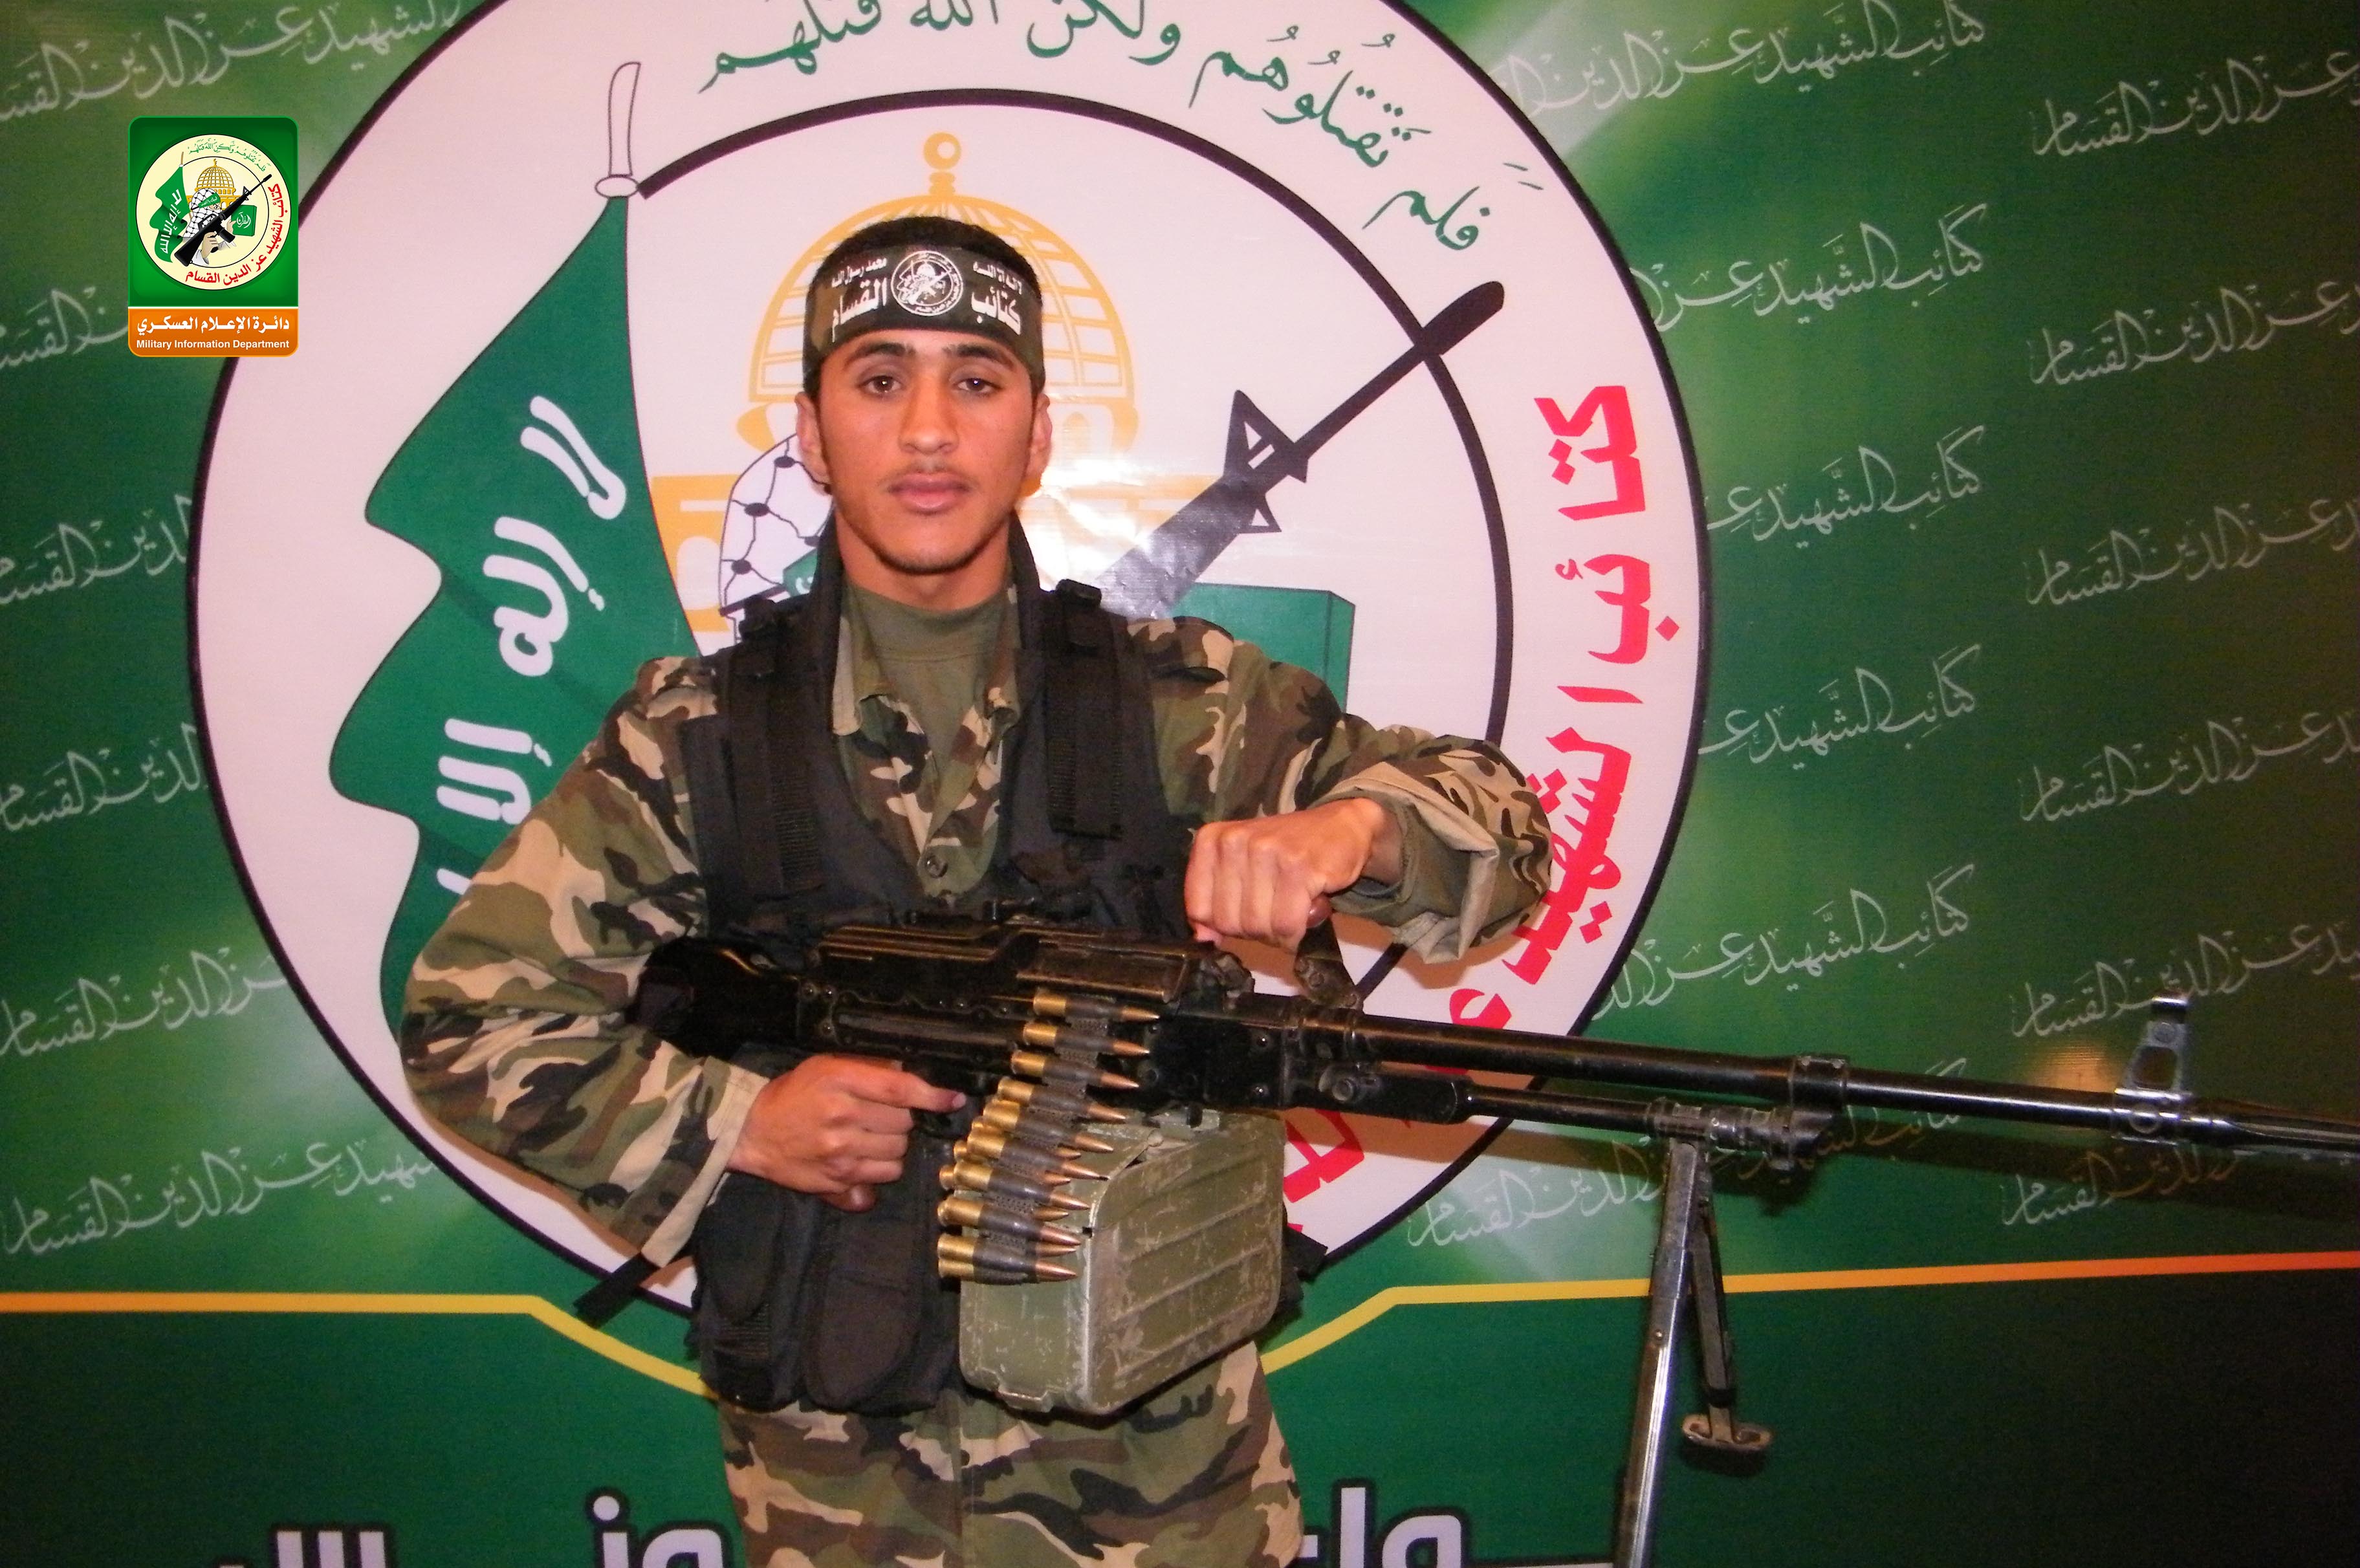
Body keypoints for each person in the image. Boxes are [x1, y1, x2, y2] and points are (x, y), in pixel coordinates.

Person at [401, 215, 1549, 1567]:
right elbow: (469, 1018)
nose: (931, 428)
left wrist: (1353, 833)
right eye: (881, 379)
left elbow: (1504, 831)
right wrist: (740, 1123)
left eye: (978, 380)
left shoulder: (1183, 703)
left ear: (1039, 435)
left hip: (1164, 1498)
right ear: (813, 436)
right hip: (839, 1506)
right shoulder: (697, 736)